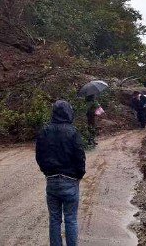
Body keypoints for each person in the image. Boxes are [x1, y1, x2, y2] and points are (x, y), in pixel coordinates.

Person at [35, 100, 86, 246]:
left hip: (51, 180)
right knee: (71, 219)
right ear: (68, 112)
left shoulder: (44, 131)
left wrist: (46, 171)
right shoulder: (73, 131)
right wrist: (79, 175)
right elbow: (80, 156)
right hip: (70, 180)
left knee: (54, 219)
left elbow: (39, 155)